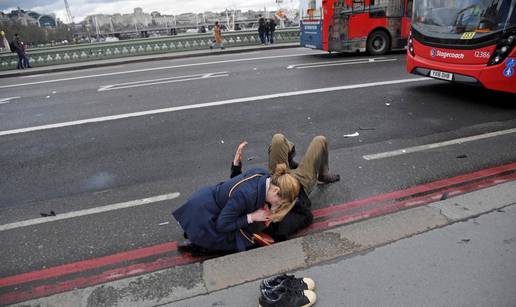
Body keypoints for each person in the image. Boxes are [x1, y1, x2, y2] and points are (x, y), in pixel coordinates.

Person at [231, 134, 340, 241]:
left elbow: (239, 189)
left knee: (278, 139)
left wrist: (236, 167)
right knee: (320, 140)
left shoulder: (252, 205)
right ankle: (323, 173)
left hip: (278, 175)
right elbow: (307, 216)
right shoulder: (282, 225)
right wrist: (293, 200)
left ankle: (288, 161)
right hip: (299, 183)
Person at [172, 163, 300, 254]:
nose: (278, 205)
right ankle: (199, 245)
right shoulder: (246, 195)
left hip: (207, 201)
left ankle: (193, 232)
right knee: (242, 243)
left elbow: (235, 187)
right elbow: (222, 225)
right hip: (205, 215)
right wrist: (252, 217)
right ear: (276, 190)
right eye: (280, 202)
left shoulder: (263, 174)